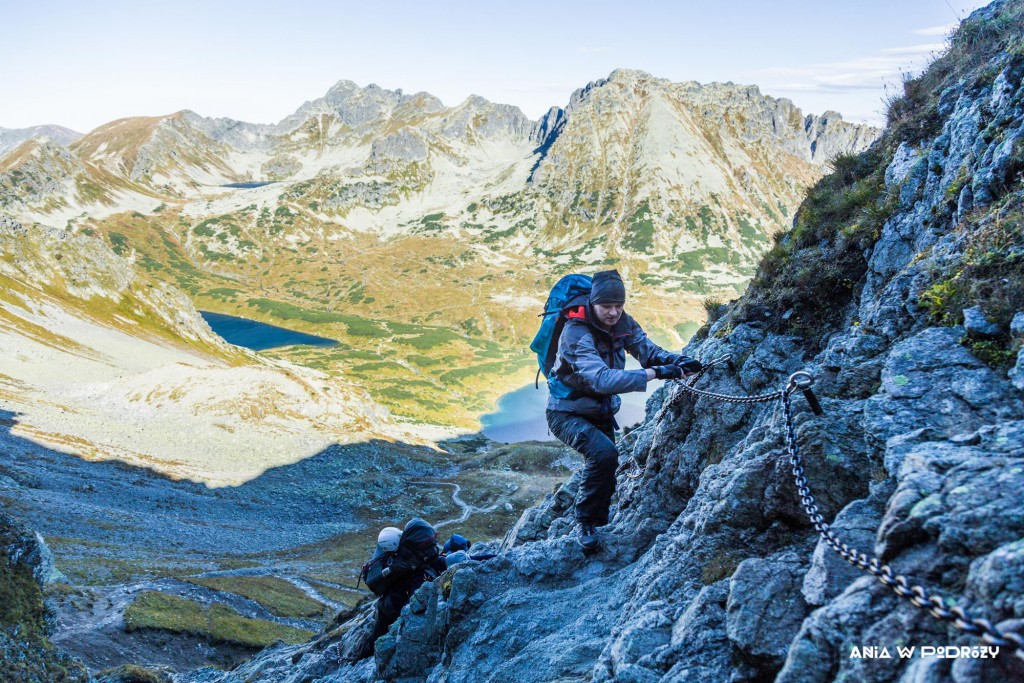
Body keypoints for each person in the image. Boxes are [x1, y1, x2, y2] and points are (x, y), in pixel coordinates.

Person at [545, 270, 701, 550]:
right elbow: (601, 379)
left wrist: (680, 361)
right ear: (593, 303)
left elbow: (647, 350)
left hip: (600, 410)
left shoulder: (623, 323)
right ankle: (585, 524)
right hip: (566, 412)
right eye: (607, 306)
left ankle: (599, 523)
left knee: (608, 462)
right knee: (603, 454)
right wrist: (657, 373)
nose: (614, 312)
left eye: (619, 305)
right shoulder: (575, 332)